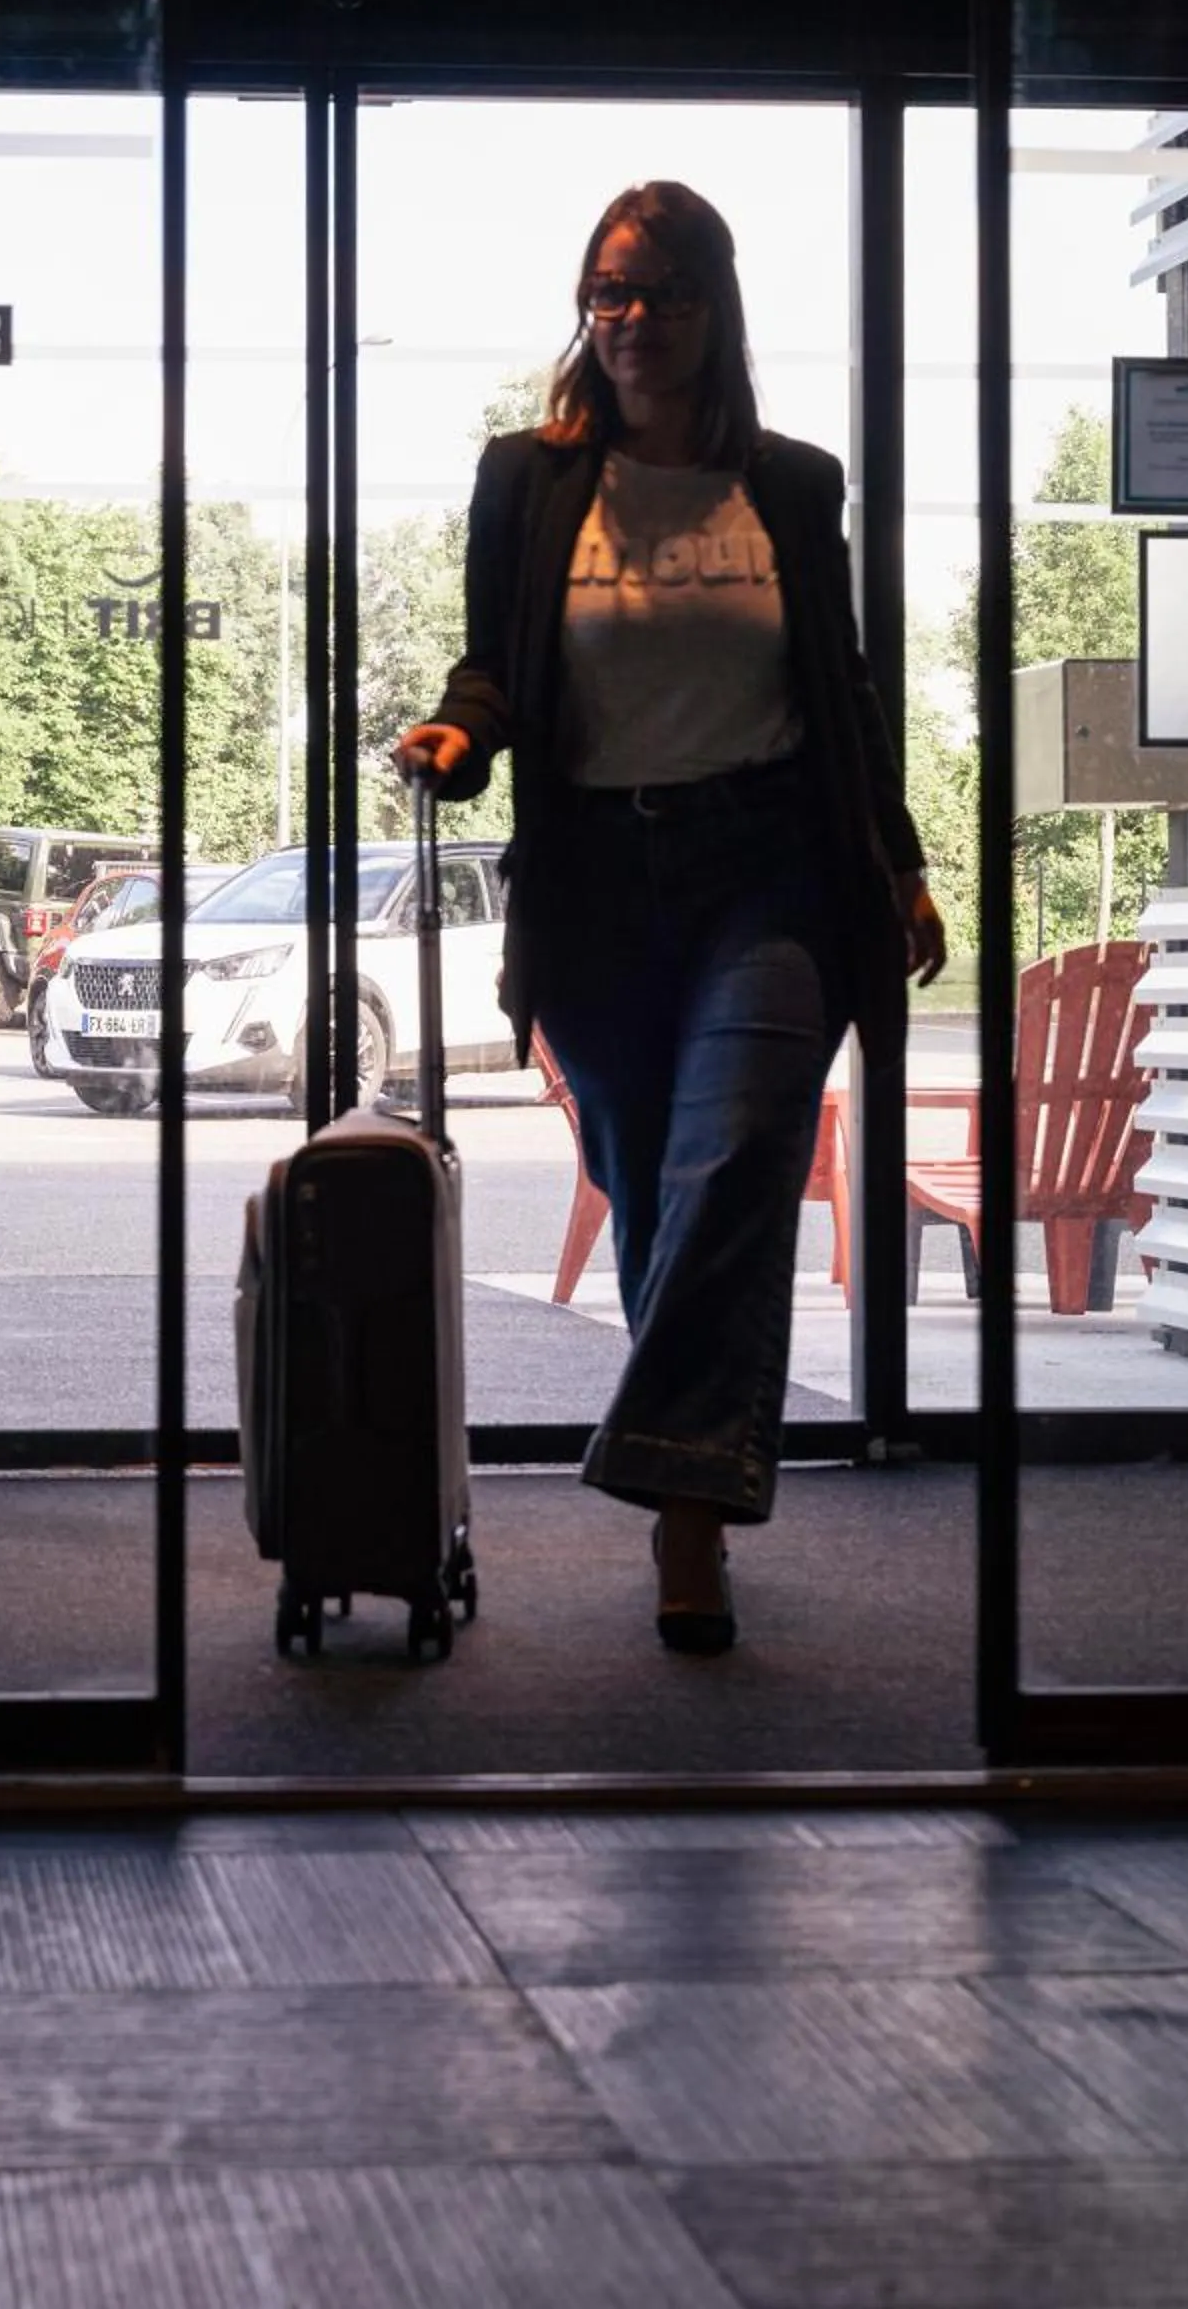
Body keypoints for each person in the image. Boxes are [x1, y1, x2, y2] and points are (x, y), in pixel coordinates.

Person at [394, 179, 944, 1655]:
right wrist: (458, 733)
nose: (633, 318)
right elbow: (496, 664)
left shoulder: (794, 485)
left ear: (716, 306)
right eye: (610, 292)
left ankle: (687, 1522)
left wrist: (897, 864)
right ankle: (691, 1475)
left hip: (769, 870)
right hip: (594, 882)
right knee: (654, 1195)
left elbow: (842, 692)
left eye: (664, 291)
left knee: (738, 1152)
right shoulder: (528, 480)